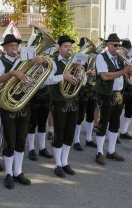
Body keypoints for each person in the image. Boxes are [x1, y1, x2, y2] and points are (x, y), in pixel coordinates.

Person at [0, 34, 42, 189]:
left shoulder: (25, 60)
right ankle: (8, 173)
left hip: (24, 103)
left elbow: (38, 76)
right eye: (11, 45)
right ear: (4, 48)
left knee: (21, 140)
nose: (15, 48)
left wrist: (41, 63)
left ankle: (17, 172)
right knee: (10, 141)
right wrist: (13, 73)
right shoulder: (0, 61)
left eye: (16, 45)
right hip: (8, 105)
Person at [46, 35, 89, 178]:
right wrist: (62, 76)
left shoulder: (75, 63)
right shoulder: (53, 62)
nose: (69, 49)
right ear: (59, 48)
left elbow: (83, 83)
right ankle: (57, 164)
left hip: (73, 102)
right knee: (59, 133)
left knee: (69, 133)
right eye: (66, 46)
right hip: (59, 102)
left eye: (70, 46)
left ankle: (65, 162)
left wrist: (80, 70)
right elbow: (47, 80)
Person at [94, 33, 132, 165]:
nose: (118, 48)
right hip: (106, 93)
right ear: (108, 45)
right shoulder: (101, 57)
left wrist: (131, 70)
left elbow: (129, 75)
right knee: (103, 122)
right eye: (115, 45)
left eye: (119, 45)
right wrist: (124, 71)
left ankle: (111, 151)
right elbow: (105, 76)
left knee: (115, 123)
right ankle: (99, 152)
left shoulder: (119, 58)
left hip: (118, 94)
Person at [73, 37, 97, 151]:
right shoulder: (77, 58)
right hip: (81, 90)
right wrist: (86, 73)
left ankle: (88, 139)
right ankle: (76, 140)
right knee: (79, 116)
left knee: (91, 115)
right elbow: (76, 76)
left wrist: (94, 73)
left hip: (91, 90)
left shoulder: (92, 58)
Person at [117, 39, 132, 142]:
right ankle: (115, 133)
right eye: (125, 50)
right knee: (117, 111)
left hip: (131, 87)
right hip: (122, 88)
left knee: (130, 110)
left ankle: (124, 131)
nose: (127, 52)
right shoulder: (119, 59)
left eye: (129, 49)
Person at [27, 82, 53, 161]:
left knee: (43, 123)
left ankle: (42, 148)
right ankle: (31, 148)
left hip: (46, 94)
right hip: (33, 94)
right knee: (32, 123)